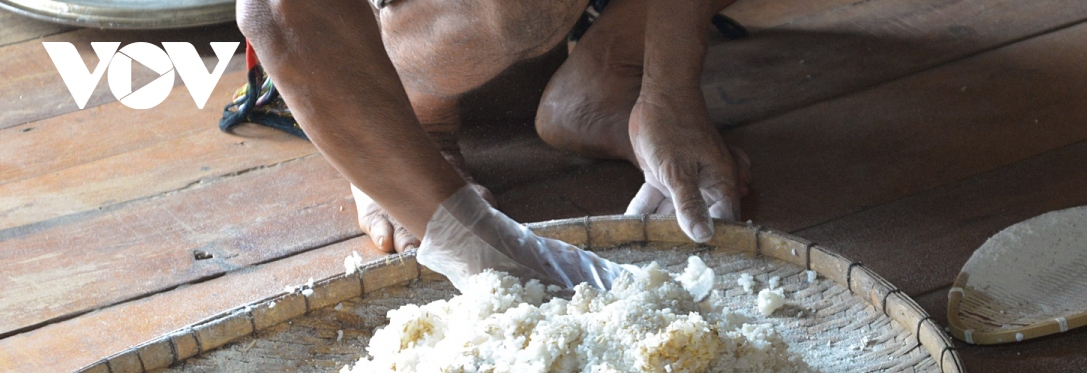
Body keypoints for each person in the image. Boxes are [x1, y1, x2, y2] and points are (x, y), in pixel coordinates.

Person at [236, 0, 748, 290]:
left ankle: (614, 64)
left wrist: (669, 95)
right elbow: (277, 10)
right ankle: (412, 113)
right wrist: (462, 232)